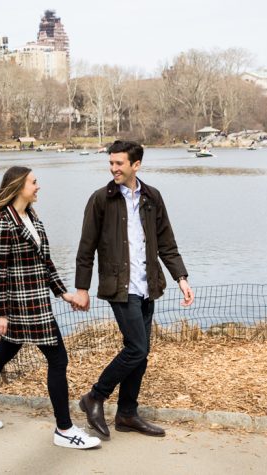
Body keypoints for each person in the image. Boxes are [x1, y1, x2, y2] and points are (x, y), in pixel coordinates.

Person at [0, 166, 101, 450]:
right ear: (18, 186)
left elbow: (45, 263)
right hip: (23, 305)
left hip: (38, 300)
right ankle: (64, 429)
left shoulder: (32, 218)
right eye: (34, 182)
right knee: (58, 359)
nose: (38, 187)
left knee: (5, 351)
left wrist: (65, 294)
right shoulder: (4, 222)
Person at [73, 140, 194, 439]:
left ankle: (127, 413)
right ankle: (95, 397)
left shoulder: (152, 197)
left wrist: (181, 277)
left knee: (141, 353)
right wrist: (82, 289)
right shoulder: (100, 199)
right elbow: (85, 248)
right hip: (119, 286)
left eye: (119, 164)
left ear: (135, 165)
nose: (113, 168)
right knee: (137, 347)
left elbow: (166, 242)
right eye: (111, 163)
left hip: (147, 285)